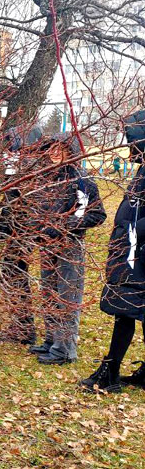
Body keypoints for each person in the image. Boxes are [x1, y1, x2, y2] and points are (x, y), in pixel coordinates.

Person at [80, 111, 145, 392]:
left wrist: (132, 232)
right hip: (131, 251)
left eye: (132, 139)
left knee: (126, 310)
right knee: (131, 308)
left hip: (136, 253)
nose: (129, 146)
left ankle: (110, 372)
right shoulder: (142, 170)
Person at [29, 133, 105, 365]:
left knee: (67, 296)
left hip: (69, 246)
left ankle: (64, 350)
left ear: (70, 151)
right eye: (50, 148)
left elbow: (97, 214)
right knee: (49, 293)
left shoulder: (81, 180)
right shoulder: (47, 177)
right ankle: (51, 340)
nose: (53, 153)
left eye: (59, 148)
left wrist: (64, 226)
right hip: (47, 244)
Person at [0, 125, 45, 345]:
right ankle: (21, 325)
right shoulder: (18, 166)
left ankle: (23, 328)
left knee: (14, 274)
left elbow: (23, 203)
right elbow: (9, 200)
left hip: (23, 230)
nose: (8, 152)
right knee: (10, 274)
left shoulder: (31, 169)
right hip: (16, 230)